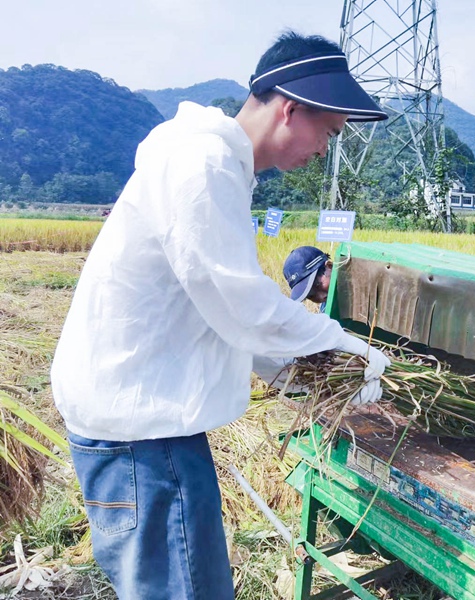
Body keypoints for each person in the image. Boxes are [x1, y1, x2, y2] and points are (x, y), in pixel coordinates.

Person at [50, 31, 390, 600]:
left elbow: (220, 312)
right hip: (146, 440)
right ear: (290, 109)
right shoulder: (200, 164)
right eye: (329, 132)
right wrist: (358, 354)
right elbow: (244, 306)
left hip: (136, 430)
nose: (326, 150)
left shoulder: (210, 163)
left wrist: (310, 383)